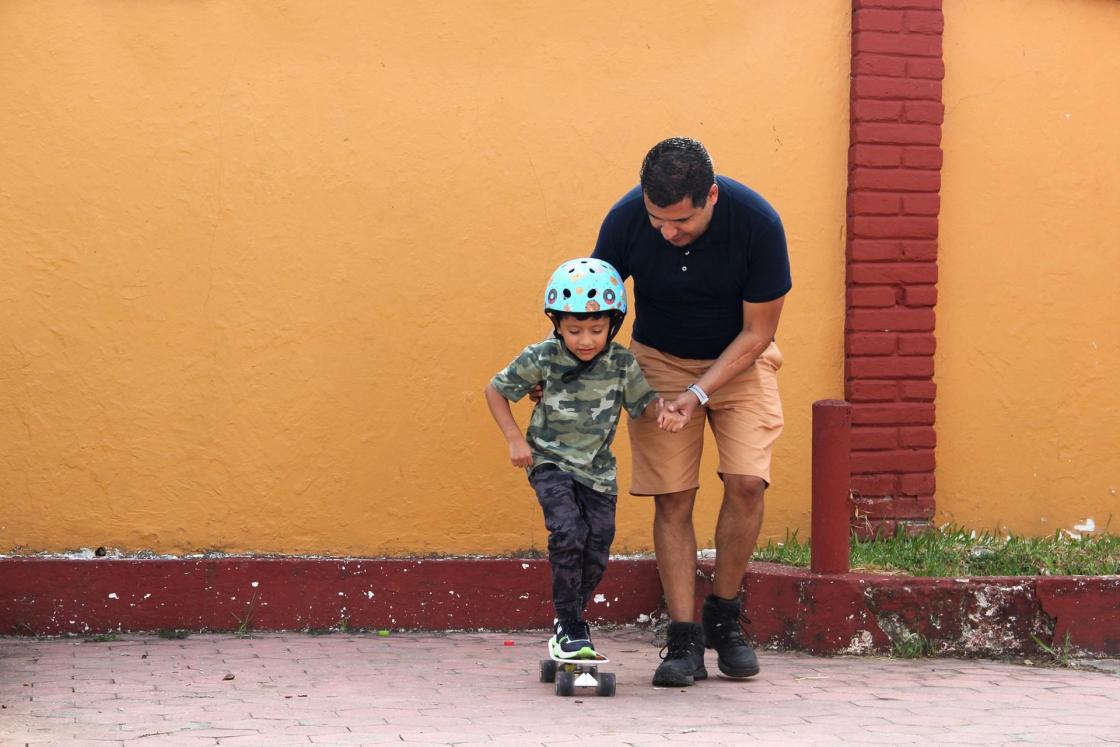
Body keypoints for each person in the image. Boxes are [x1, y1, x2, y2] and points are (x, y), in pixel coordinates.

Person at [592, 137, 791, 687]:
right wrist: (562, 372)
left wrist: (700, 392)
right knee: (673, 495)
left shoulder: (757, 223)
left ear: (711, 195)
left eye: (680, 221)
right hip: (657, 361)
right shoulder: (628, 218)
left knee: (748, 481)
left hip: (740, 360)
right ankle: (683, 638)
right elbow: (595, 305)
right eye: (657, 219)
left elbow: (758, 332)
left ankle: (724, 617)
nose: (666, 233)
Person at [484, 257, 689, 660]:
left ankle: (570, 619)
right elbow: (496, 390)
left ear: (613, 325)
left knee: (597, 545)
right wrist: (513, 439)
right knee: (568, 531)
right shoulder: (541, 357)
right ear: (556, 323)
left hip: (598, 472)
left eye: (596, 330)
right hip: (549, 460)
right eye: (574, 329)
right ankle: (570, 624)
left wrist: (664, 410)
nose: (585, 340)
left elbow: (642, 402)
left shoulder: (620, 364)